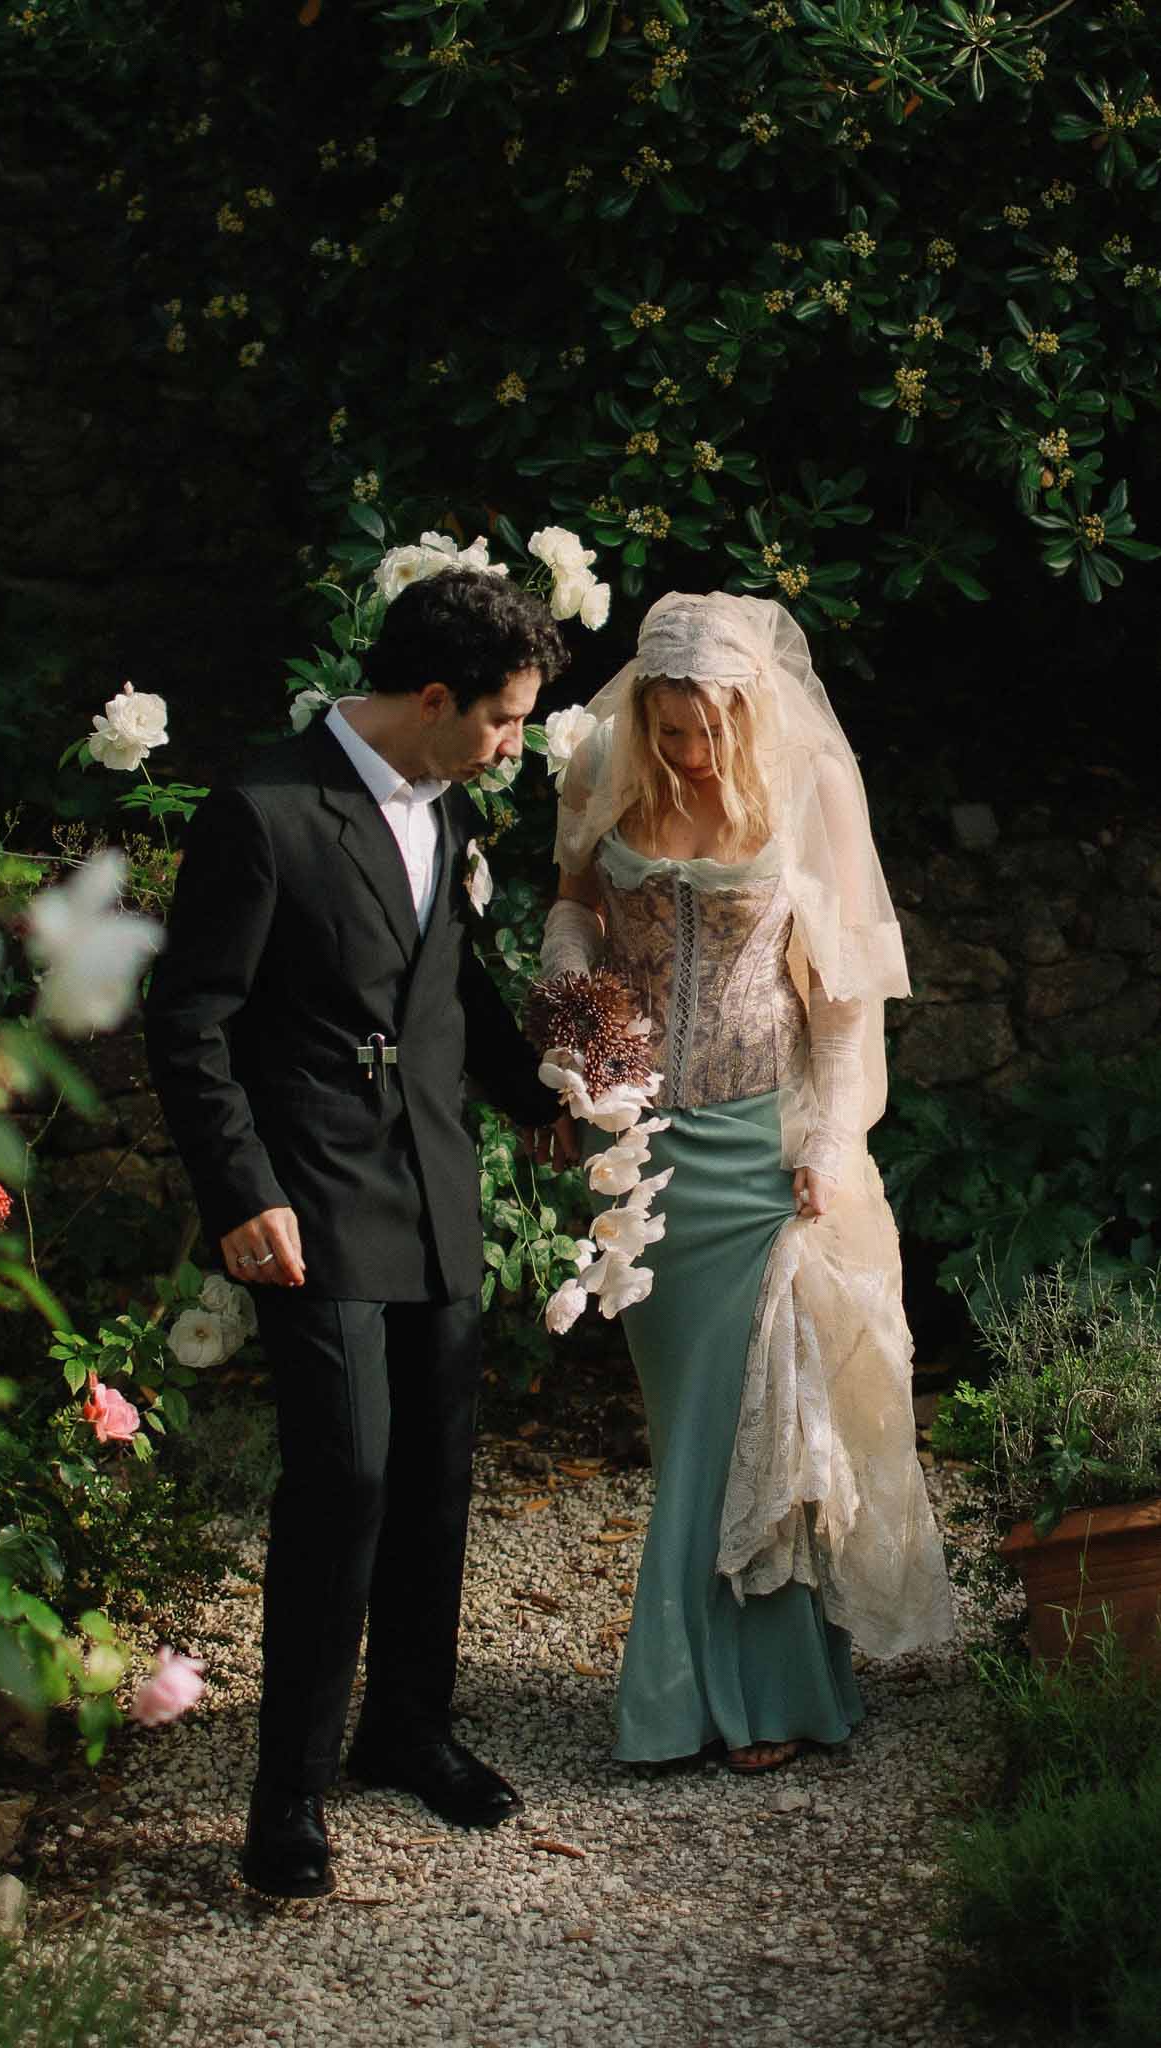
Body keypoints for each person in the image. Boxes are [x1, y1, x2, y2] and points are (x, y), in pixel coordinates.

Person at [145, 568, 575, 1897]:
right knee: (345, 1478)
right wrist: (242, 1192)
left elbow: (449, 983)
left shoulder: (447, 808)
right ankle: (288, 1794)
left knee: (437, 1474)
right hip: (312, 1194)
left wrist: (536, 1098)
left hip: (434, 1184)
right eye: (502, 720)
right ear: (433, 697)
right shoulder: (264, 811)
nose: (510, 747)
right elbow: (191, 1021)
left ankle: (407, 1729)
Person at [541, 590, 953, 1774]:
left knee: (765, 1421)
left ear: (751, 708)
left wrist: (828, 1138)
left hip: (765, 1144)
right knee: (689, 1424)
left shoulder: (809, 785)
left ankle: (759, 1693)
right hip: (641, 1142)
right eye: (668, 728)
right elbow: (573, 908)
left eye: (707, 730)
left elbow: (843, 990)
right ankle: (703, 1686)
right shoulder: (603, 765)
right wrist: (572, 1015)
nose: (687, 751)